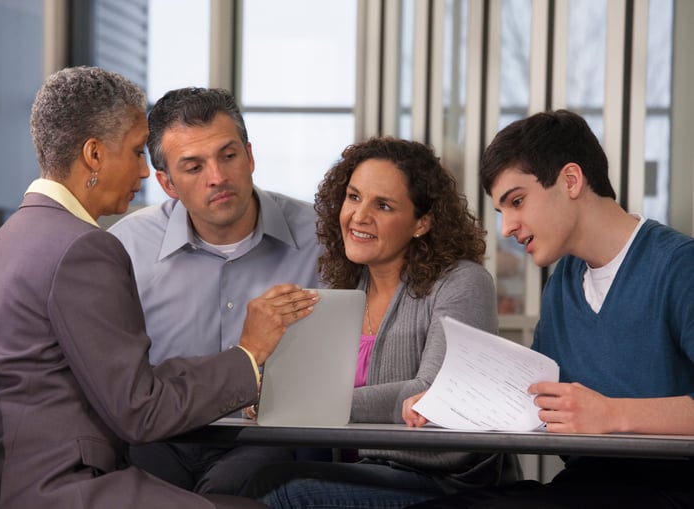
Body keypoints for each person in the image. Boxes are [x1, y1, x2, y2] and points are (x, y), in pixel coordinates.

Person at [0, 66, 319, 509]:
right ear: (93, 154)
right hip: (69, 483)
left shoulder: (13, 235)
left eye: (228, 157)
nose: (144, 173)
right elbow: (138, 408)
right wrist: (248, 355)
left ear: (249, 155)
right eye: (134, 152)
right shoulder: (87, 248)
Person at [403, 109, 694, 508]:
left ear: (571, 180)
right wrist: (447, 406)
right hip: (585, 487)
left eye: (517, 201)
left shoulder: (679, 266)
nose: (506, 227)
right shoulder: (563, 284)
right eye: (503, 210)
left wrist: (611, 415)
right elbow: (531, 401)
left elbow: (598, 413)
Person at [242, 137, 521, 508]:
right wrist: (269, 394)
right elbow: (304, 388)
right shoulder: (341, 288)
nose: (359, 216)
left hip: (444, 481)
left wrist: (300, 402)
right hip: (367, 469)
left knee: (284, 492)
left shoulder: (462, 282)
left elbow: (432, 394)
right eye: (354, 197)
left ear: (421, 222)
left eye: (383, 205)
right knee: (256, 477)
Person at [108, 87, 322, 494]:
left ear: (250, 156)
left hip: (270, 439)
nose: (218, 178)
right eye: (193, 167)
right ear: (167, 183)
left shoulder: (321, 239)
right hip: (161, 437)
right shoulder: (127, 247)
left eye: (229, 156)